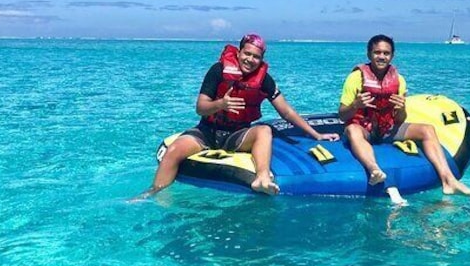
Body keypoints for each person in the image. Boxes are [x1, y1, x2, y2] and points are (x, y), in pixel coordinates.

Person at [132, 34, 339, 201]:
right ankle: (153, 193)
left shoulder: (264, 80)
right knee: (174, 150)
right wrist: (221, 104)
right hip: (207, 131)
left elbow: (286, 111)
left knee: (264, 130)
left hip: (237, 134)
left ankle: (262, 178)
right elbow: (201, 107)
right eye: (246, 54)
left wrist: (316, 134)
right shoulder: (218, 71)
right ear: (239, 53)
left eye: (256, 57)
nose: (250, 60)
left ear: (262, 59)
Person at [338, 34, 470, 205]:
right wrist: (355, 105)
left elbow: (400, 119)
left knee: (427, 129)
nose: (382, 57)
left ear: (392, 56)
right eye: (377, 52)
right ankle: (374, 170)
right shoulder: (355, 78)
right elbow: (342, 115)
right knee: (352, 130)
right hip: (364, 128)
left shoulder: (399, 80)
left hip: (387, 128)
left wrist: (401, 108)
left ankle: (449, 180)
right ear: (369, 54)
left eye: (386, 53)